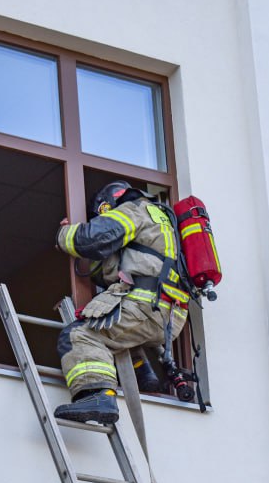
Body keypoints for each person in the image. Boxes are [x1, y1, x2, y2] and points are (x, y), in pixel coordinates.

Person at [52, 181, 191, 425]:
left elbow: (94, 238)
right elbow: (109, 271)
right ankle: (143, 372)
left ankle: (99, 395)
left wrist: (65, 234)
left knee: (80, 335)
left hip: (146, 305)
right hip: (167, 315)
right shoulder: (162, 222)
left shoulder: (134, 210)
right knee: (120, 332)